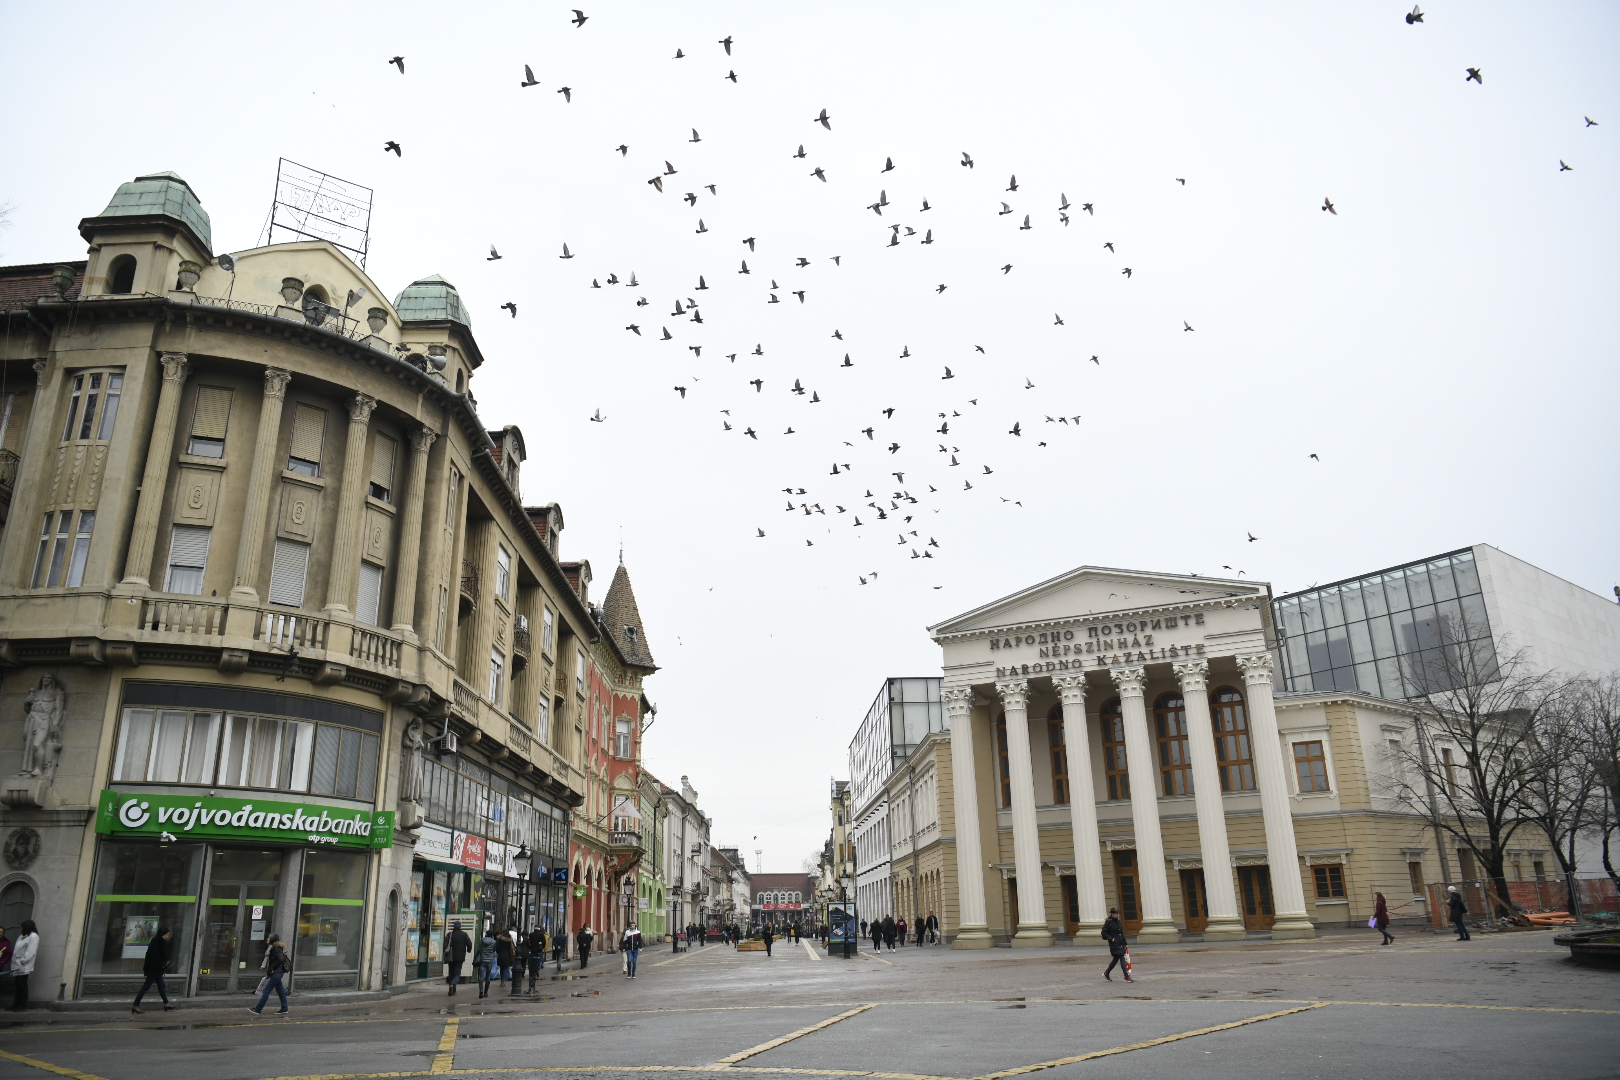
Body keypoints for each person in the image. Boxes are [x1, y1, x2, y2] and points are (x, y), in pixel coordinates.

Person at [131, 926, 176, 1013]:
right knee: (146, 987)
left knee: (161, 986)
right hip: (154, 969)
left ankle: (166, 1004)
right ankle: (135, 1005)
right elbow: (153, 957)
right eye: (165, 934)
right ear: (162, 935)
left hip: (158, 970)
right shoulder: (156, 942)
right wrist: (161, 965)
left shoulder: (160, 942)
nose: (167, 936)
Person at [249, 934, 290, 1015]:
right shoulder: (272, 947)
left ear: (272, 939)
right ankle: (284, 1008)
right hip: (278, 972)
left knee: (266, 991)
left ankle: (258, 1009)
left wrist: (271, 969)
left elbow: (280, 959)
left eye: (269, 938)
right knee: (280, 990)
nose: (267, 939)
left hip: (276, 973)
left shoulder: (276, 947)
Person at [10, 920, 38, 1011]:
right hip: (16, 965)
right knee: (18, 985)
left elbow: (31, 951)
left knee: (22, 985)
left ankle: (22, 1004)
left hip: (23, 965)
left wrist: (23, 961)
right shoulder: (22, 936)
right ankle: (16, 1004)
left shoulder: (33, 936)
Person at [1101, 908, 1132, 982]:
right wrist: (1111, 938)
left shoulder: (1118, 921)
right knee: (1122, 958)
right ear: (1112, 914)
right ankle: (1126, 976)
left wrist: (1125, 943)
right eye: (1116, 914)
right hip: (1114, 944)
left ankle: (1107, 973)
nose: (1118, 915)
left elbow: (1121, 933)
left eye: (1118, 914)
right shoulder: (1109, 922)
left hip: (1120, 943)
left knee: (1115, 960)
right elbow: (1103, 933)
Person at [444, 920, 473, 995]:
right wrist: (469, 950)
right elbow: (469, 944)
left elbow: (445, 945)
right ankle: (453, 984)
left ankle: (452, 989)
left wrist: (446, 952)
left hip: (451, 957)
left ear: (454, 926)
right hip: (460, 957)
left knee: (451, 973)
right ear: (460, 926)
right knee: (457, 973)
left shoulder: (449, 934)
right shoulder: (464, 935)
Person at [524, 925, 547, 993]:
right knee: (539, 960)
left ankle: (534, 970)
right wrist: (542, 947)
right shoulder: (541, 934)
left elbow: (529, 943)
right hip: (539, 950)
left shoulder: (531, 934)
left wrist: (531, 947)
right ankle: (537, 969)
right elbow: (544, 942)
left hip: (533, 950)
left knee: (533, 960)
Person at [477, 926, 498, 998]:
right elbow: (494, 950)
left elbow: (479, 949)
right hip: (490, 960)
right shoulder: (494, 941)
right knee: (488, 976)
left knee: (481, 977)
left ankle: (481, 991)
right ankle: (486, 992)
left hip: (482, 960)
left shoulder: (482, 940)